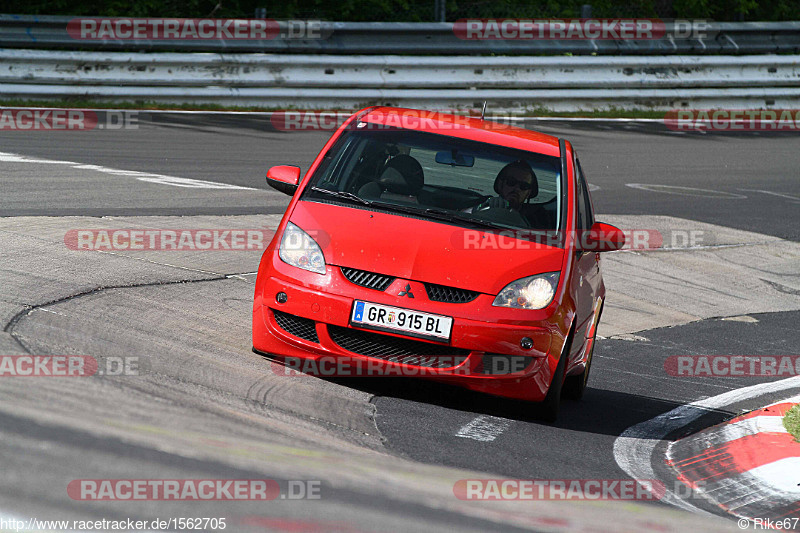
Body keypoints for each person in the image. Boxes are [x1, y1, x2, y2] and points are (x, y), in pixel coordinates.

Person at [471, 160, 549, 228]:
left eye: (524, 186)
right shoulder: (484, 202)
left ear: (528, 193)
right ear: (500, 184)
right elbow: (460, 214)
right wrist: (480, 208)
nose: (516, 188)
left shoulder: (537, 216)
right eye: (511, 182)